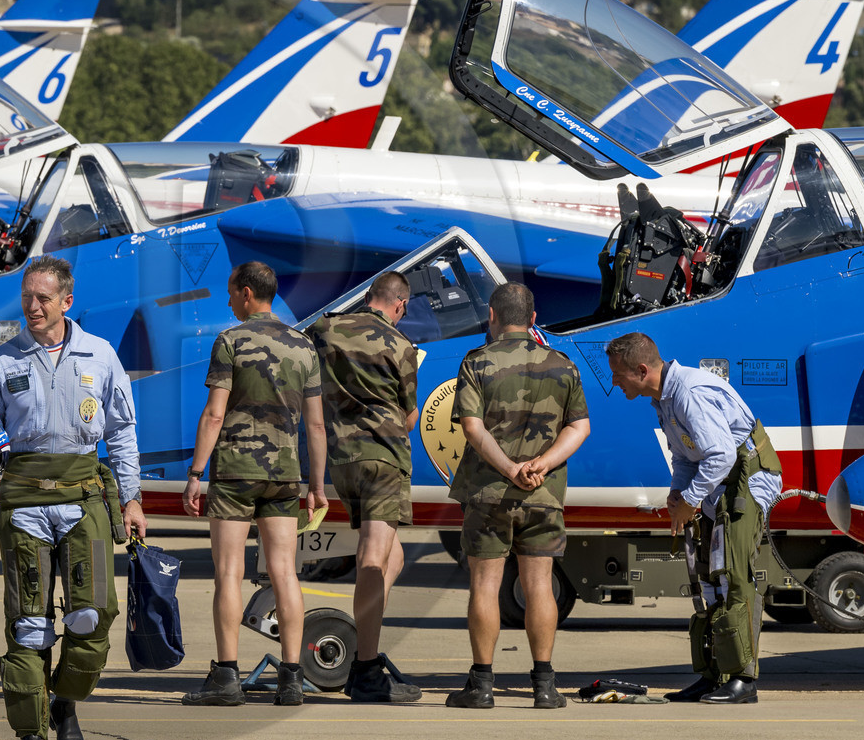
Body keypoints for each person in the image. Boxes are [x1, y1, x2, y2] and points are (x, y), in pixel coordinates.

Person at [0, 257, 146, 740]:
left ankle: (65, 702)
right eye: (28, 296)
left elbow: (121, 431)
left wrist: (131, 497)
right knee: (28, 623)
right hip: (23, 500)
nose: (33, 306)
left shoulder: (101, 355)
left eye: (44, 298)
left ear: (67, 301)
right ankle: (30, 733)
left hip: (84, 495)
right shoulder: (0, 363)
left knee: (92, 615)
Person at [181, 261, 326, 709]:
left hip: (236, 473)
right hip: (284, 476)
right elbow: (317, 426)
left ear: (247, 294)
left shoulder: (231, 342)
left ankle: (226, 677)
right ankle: (292, 678)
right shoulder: (303, 346)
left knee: (229, 573)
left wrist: (195, 473)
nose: (227, 301)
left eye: (230, 293)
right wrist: (316, 485)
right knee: (285, 572)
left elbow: (214, 414)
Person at [607, 332, 781, 704]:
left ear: (641, 370)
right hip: (718, 485)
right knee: (707, 578)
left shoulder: (688, 393)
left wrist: (688, 499)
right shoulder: (664, 400)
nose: (614, 381)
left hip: (746, 481)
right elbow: (687, 458)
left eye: (618, 374)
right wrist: (677, 495)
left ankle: (743, 680)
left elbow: (721, 456)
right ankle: (713, 673)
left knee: (733, 574)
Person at [446, 283, 589, 710]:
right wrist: (541, 465)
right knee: (539, 586)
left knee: (485, 585)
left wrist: (509, 469)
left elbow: (472, 428)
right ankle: (544, 685)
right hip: (543, 496)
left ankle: (482, 684)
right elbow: (579, 428)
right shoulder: (562, 364)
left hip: (490, 494)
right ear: (532, 317)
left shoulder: (477, 363)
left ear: (492, 315)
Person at [307, 270, 421, 703]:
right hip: (384, 459)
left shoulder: (328, 327)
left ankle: (365, 642)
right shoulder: (401, 346)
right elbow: (409, 418)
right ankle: (367, 668)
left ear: (370, 296)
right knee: (374, 558)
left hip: (343, 461)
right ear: (400, 305)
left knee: (393, 557)